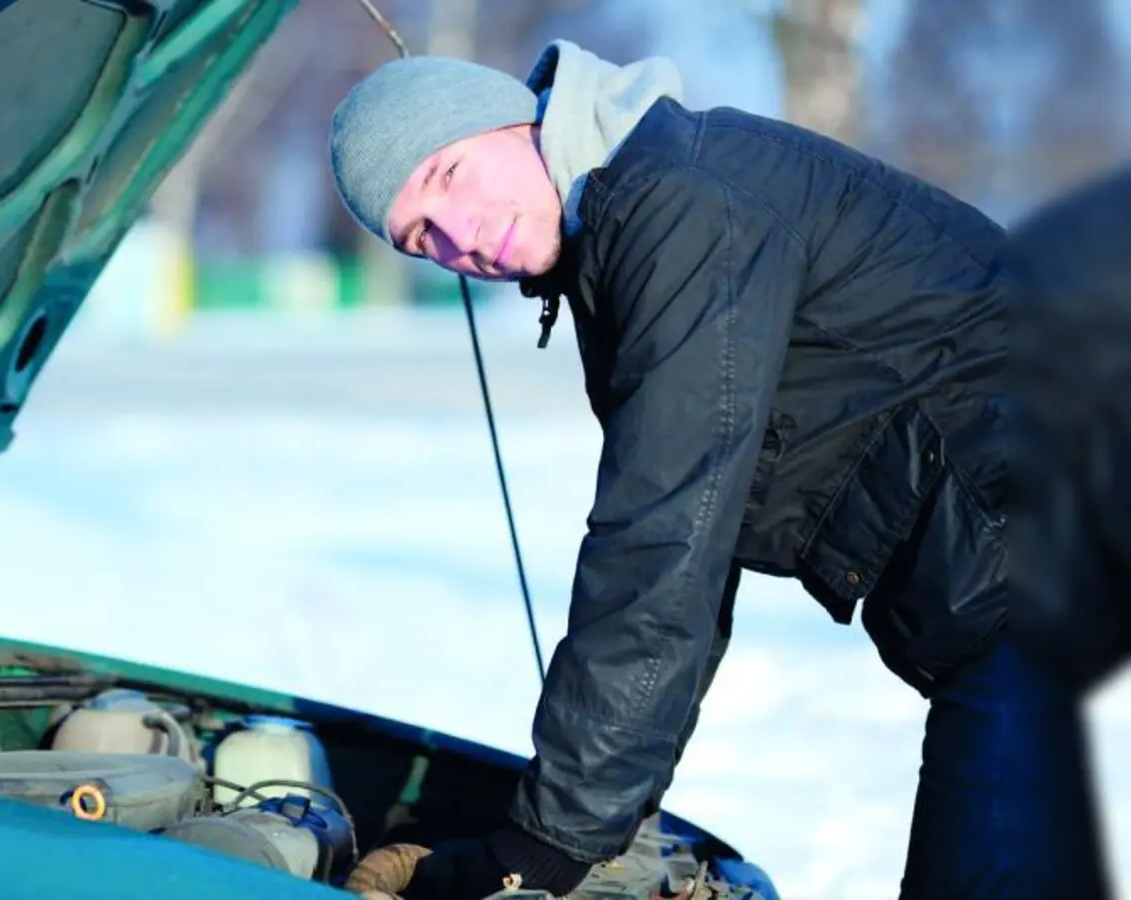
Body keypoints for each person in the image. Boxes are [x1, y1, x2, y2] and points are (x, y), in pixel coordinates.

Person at [327, 41, 1111, 900]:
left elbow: (663, 537)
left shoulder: (682, 204)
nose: (458, 235)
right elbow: (696, 561)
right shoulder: (630, 221)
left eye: (447, 175)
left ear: (513, 121)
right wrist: (602, 822)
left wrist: (547, 844)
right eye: (421, 238)